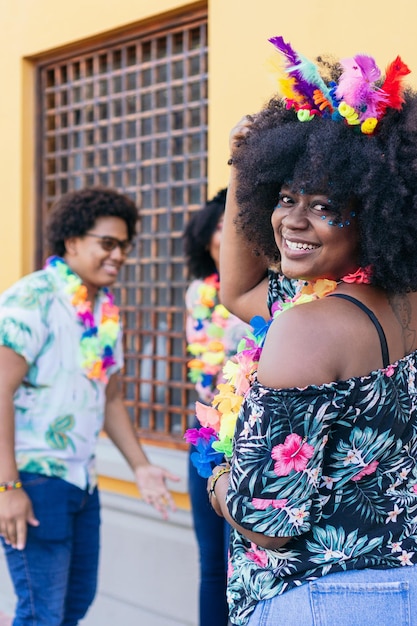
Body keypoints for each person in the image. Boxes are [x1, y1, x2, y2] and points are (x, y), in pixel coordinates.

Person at [206, 36, 417, 626]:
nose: (292, 221)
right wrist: (245, 171)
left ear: (375, 211)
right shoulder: (398, 304)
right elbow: (238, 292)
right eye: (284, 197)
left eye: (324, 206)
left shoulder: (307, 329)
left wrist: (220, 480)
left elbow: (268, 524)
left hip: (320, 600)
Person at [0, 187, 179, 626]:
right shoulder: (33, 298)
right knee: (42, 614)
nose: (118, 255)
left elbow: (111, 397)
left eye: (124, 246)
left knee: (74, 605)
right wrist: (7, 489)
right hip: (35, 480)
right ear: (72, 241)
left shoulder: (105, 312)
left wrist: (139, 466)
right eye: (108, 243)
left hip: (83, 481)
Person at [183, 189, 249, 626]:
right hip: (208, 429)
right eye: (218, 231)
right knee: (211, 562)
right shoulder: (198, 294)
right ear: (206, 240)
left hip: (250, 433)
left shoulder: (266, 295)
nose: (225, 239)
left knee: (238, 557)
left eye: (236, 230)